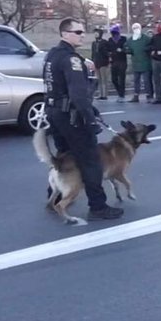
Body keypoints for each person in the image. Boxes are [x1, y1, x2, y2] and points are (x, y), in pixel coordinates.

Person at [43, 18, 123, 221]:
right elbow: (78, 95)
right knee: (91, 160)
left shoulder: (52, 55)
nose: (82, 35)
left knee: (64, 156)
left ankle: (56, 196)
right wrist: (90, 119)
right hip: (72, 116)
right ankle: (98, 206)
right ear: (65, 34)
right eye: (78, 32)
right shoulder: (72, 60)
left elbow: (51, 85)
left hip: (55, 113)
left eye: (82, 31)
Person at [125, 22, 152, 103]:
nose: (136, 30)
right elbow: (126, 47)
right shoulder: (130, 40)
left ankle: (149, 96)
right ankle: (136, 96)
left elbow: (152, 45)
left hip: (145, 63)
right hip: (136, 63)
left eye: (137, 28)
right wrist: (128, 51)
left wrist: (147, 49)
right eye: (134, 28)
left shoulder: (146, 38)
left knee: (146, 81)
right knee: (136, 80)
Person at [106, 24, 128, 102]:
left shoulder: (123, 39)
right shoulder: (110, 40)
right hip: (114, 61)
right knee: (114, 79)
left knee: (121, 79)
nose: (114, 35)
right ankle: (119, 92)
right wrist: (109, 55)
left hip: (122, 61)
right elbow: (108, 49)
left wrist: (122, 50)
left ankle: (122, 95)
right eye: (113, 33)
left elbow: (127, 48)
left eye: (115, 33)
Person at [90, 27, 110, 100]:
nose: (95, 34)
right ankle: (100, 94)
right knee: (98, 79)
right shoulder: (94, 43)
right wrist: (92, 62)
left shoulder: (104, 42)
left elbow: (107, 52)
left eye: (97, 33)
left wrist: (108, 59)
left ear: (100, 34)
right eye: (95, 33)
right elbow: (93, 53)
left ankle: (105, 95)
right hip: (96, 62)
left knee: (104, 79)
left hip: (103, 63)